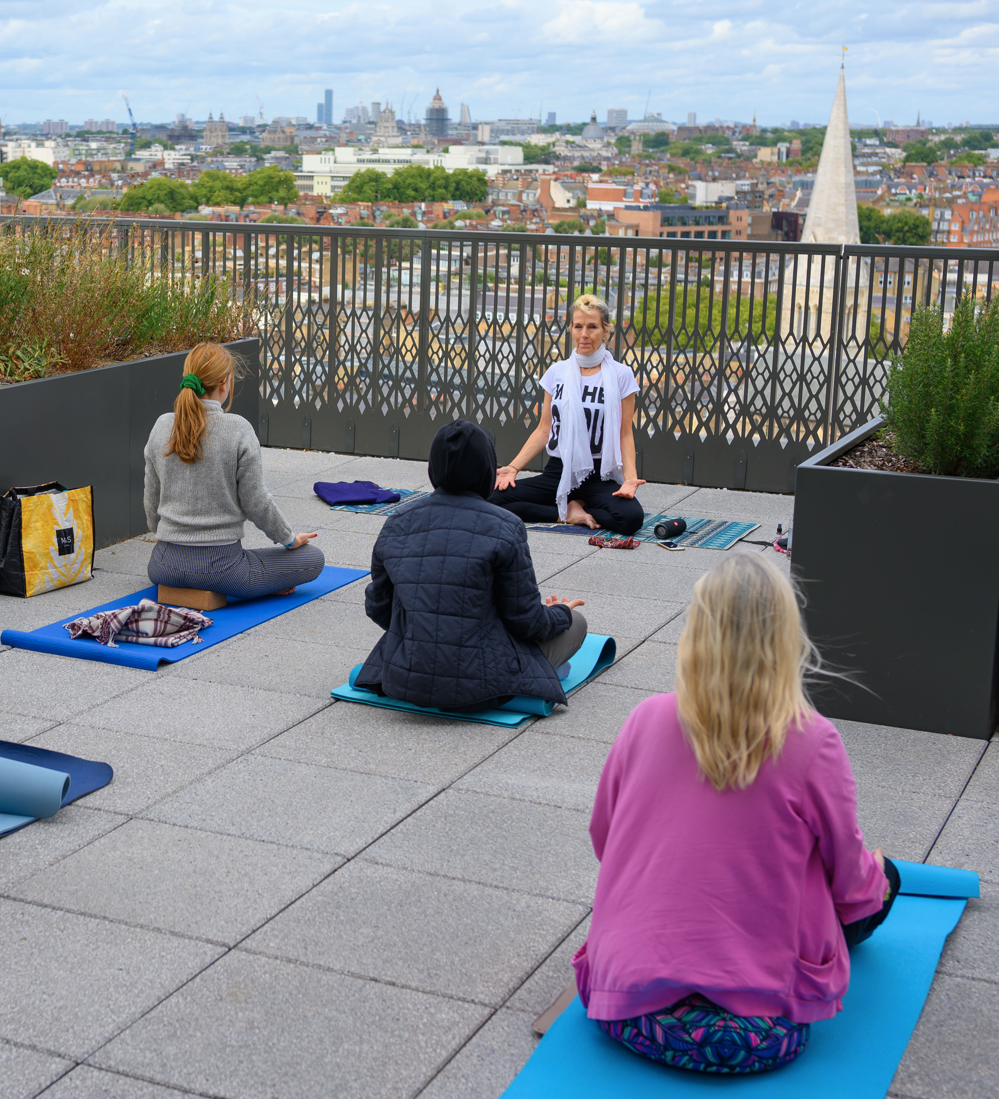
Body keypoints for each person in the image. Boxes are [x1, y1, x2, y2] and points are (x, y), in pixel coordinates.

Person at [573, 552, 897, 1075]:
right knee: (882, 879)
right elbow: (850, 884)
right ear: (786, 638)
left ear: (696, 634)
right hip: (761, 1031)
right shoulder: (812, 739)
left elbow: (604, 837)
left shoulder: (645, 718)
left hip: (626, 1007)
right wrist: (875, 879)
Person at [355, 420, 588, 711]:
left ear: (433, 468)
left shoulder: (397, 521)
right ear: (487, 469)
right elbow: (527, 621)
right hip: (483, 681)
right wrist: (561, 613)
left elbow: (379, 608)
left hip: (405, 676)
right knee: (577, 623)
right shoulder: (505, 525)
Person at [144, 342, 325, 598]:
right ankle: (263, 581)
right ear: (223, 383)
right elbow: (256, 501)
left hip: (164, 567)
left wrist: (170, 538)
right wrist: (289, 538)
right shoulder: (238, 428)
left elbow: (151, 501)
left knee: (254, 562)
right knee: (313, 558)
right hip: (225, 571)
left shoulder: (162, 425)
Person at [486, 293, 646, 534]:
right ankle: (565, 513)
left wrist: (630, 478)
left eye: (592, 327)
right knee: (490, 498)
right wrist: (514, 468)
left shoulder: (621, 375)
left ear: (606, 331)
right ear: (570, 329)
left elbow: (625, 434)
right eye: (578, 326)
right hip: (559, 470)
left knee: (631, 518)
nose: (584, 334)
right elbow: (544, 429)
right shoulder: (557, 372)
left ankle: (581, 503)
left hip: (599, 475)